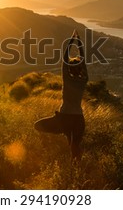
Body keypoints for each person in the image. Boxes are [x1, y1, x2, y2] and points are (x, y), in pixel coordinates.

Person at [34, 29, 88, 162]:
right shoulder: (84, 79)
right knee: (74, 146)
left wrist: (72, 40)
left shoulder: (67, 78)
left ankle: (52, 143)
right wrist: (79, 42)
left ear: (69, 68)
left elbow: (64, 60)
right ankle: (77, 169)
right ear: (80, 68)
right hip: (79, 120)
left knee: (37, 125)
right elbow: (83, 60)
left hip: (64, 118)